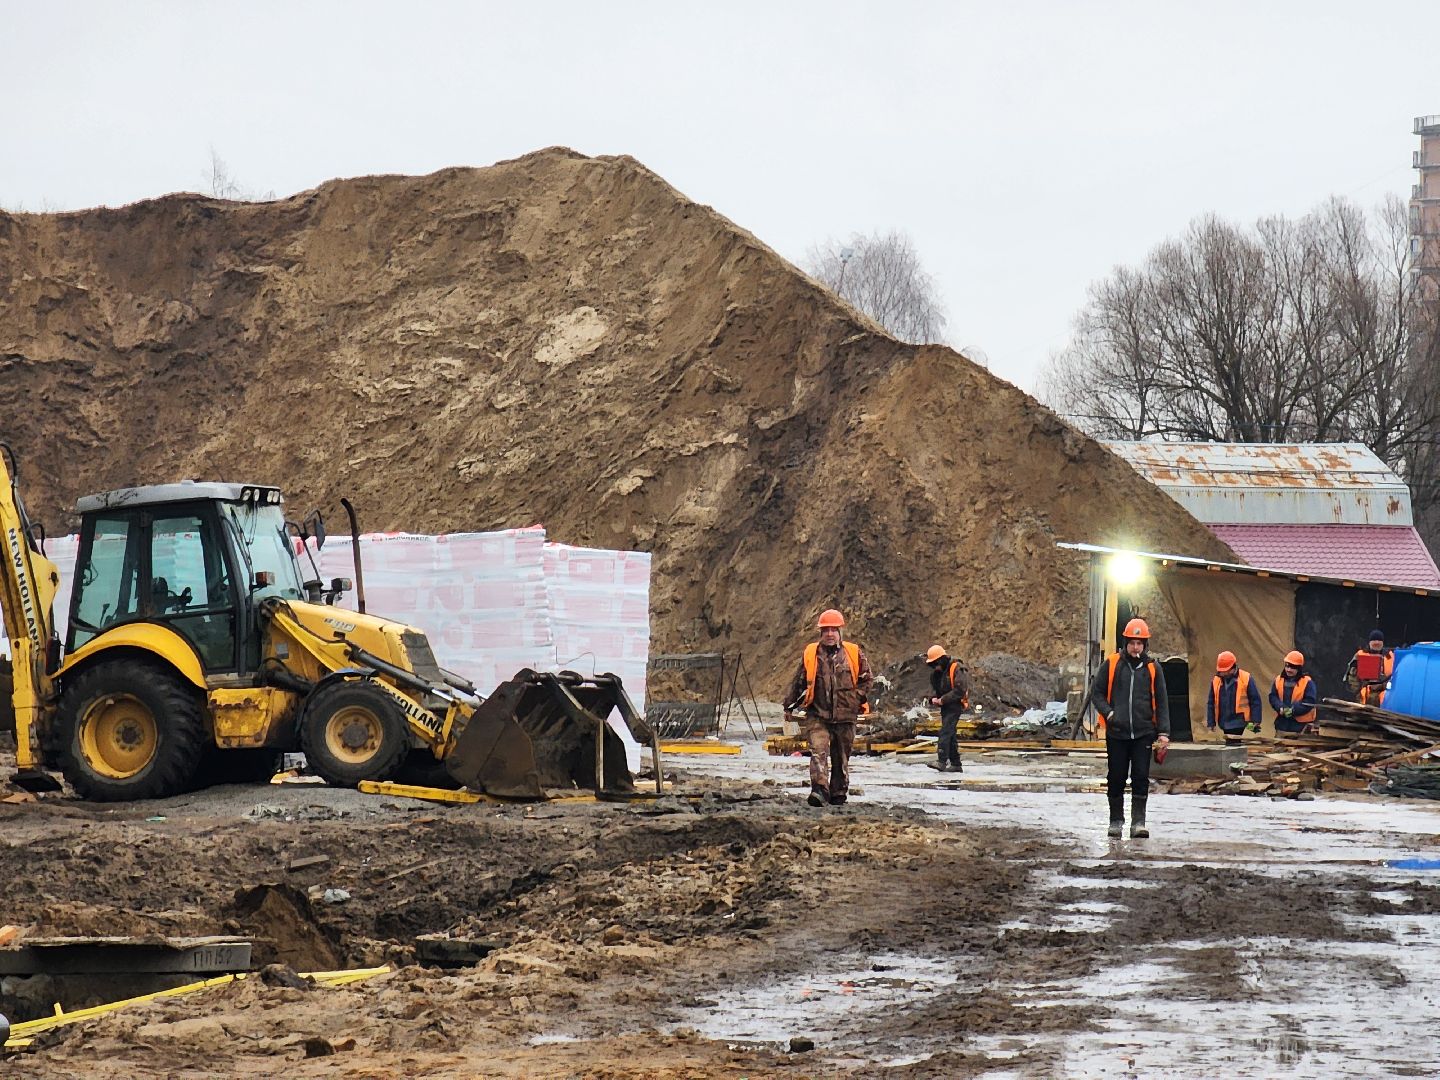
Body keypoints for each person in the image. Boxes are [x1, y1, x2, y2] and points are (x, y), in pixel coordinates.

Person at [783, 609, 873, 807]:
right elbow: (799, 682)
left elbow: (867, 679)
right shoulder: (811, 654)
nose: (830, 634)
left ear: (840, 631)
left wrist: (855, 698)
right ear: (820, 633)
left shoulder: (853, 653)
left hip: (846, 716)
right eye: (826, 630)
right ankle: (819, 791)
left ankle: (838, 793)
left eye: (834, 629)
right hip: (818, 715)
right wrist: (789, 706)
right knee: (818, 753)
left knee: (841, 758)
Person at [1089, 617, 1170, 839]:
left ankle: (1138, 823)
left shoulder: (1153, 669)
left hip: (1144, 733)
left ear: (1145, 645)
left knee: (1141, 777)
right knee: (1116, 776)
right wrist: (1110, 713)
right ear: (1126, 642)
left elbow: (1162, 702)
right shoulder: (1112, 664)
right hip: (1117, 734)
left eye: (1140, 643)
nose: (1136, 647)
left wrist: (1163, 733)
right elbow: (1096, 693)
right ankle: (1116, 821)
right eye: (1132, 642)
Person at [924, 644, 970, 773]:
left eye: (936, 663)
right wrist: (933, 698)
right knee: (950, 734)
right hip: (945, 706)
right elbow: (935, 689)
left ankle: (942, 761)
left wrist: (943, 699)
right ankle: (956, 764)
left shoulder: (956, 668)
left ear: (942, 659)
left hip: (955, 704)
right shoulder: (936, 674)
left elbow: (960, 690)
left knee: (945, 732)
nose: (935, 667)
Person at [1205, 650, 1262, 744]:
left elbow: (1255, 700)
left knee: (1233, 743)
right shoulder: (1216, 680)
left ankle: (1234, 757)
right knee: (1232, 744)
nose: (1221, 673)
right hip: (1223, 720)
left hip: (1239, 720)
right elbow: (1211, 702)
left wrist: (1256, 720)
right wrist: (1211, 722)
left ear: (1232, 668)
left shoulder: (1246, 678)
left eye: (1224, 671)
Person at [1269, 650, 1318, 733]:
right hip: (1282, 724)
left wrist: (1293, 710)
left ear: (1299, 668)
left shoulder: (1307, 682)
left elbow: (1310, 701)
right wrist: (1280, 707)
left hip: (1301, 726)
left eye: (1292, 667)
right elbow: (1273, 697)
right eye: (1287, 666)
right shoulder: (1278, 680)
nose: (1288, 669)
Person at [1344, 629, 1395, 707]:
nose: (1377, 642)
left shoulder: (1390, 656)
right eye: (1374, 640)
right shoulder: (1360, 655)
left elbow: (1395, 678)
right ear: (1369, 642)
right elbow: (1351, 677)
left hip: (1384, 701)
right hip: (1362, 699)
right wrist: (1359, 690)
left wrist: (1381, 686)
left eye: (1379, 640)